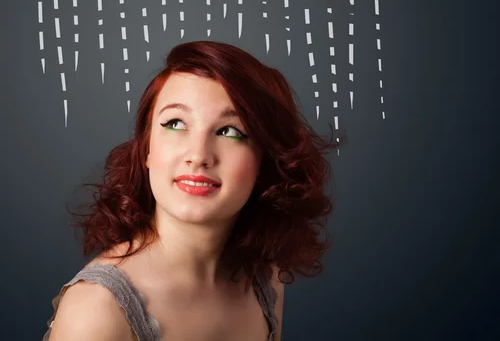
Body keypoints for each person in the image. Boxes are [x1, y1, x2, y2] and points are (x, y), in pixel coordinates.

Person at [43, 40, 344, 340]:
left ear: (266, 159)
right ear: (146, 149)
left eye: (230, 131)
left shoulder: (266, 277)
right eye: (175, 123)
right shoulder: (96, 310)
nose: (199, 155)